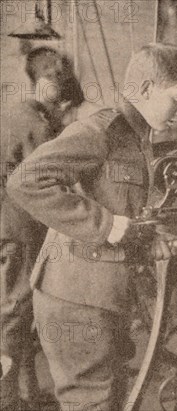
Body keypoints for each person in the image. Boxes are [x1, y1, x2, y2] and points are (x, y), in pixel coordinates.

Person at [6, 43, 177, 410]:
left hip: (100, 296)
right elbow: (25, 180)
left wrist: (150, 236)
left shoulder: (137, 137)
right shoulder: (100, 130)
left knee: (108, 399)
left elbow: (120, 202)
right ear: (144, 91)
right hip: (76, 299)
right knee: (93, 402)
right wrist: (105, 225)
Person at [0, 46, 83, 410]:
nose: (60, 85)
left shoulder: (23, 114)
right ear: (43, 80)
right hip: (20, 226)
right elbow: (51, 177)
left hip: (19, 224)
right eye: (55, 77)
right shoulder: (31, 121)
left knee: (24, 311)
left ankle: (27, 394)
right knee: (16, 312)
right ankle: (6, 398)